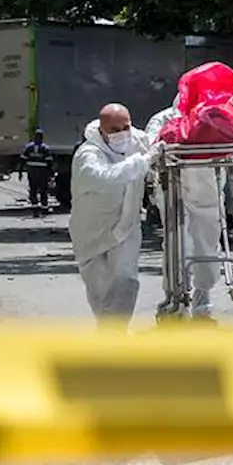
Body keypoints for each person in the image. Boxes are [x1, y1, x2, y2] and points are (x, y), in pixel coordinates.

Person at [69, 103, 157, 327]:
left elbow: (159, 138)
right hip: (92, 232)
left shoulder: (136, 141)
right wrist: (144, 161)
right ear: (101, 130)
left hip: (126, 226)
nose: (122, 134)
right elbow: (106, 178)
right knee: (99, 287)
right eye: (114, 130)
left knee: (125, 281)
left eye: (125, 127)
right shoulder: (88, 154)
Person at [146, 97, 225, 321]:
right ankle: (175, 297)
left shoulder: (214, 117)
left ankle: (203, 300)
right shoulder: (163, 119)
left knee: (207, 243)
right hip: (172, 187)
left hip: (207, 188)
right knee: (174, 243)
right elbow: (152, 146)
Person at [18, 129, 54, 217]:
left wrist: (20, 172)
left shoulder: (28, 147)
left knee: (33, 189)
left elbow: (22, 160)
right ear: (42, 138)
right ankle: (44, 209)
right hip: (42, 172)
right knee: (43, 190)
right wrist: (51, 174)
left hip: (32, 172)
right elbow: (49, 162)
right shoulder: (45, 148)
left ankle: (35, 209)